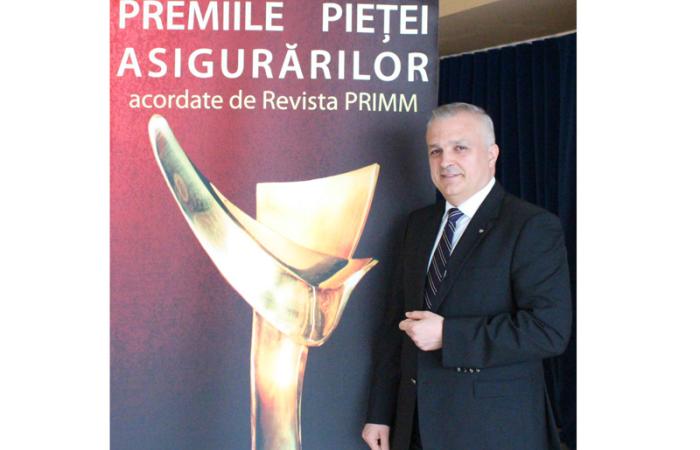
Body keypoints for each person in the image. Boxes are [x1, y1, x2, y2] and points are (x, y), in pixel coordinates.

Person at [362, 103, 572, 450]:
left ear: (491, 154)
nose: (445, 161)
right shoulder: (417, 225)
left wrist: (449, 335)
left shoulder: (530, 226)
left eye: (460, 148)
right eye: (436, 151)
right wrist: (380, 413)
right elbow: (395, 326)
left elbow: (548, 331)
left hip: (491, 431)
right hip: (414, 428)